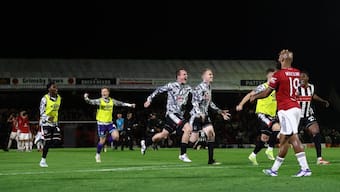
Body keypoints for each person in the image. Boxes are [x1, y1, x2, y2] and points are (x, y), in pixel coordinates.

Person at [250, 49, 312, 177]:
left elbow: (267, 93)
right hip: (295, 108)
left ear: (283, 59)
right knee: (283, 140)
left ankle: (305, 169)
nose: (278, 58)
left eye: (279, 56)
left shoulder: (278, 75)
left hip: (286, 109)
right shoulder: (297, 72)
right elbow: (297, 91)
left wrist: (255, 96)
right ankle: (274, 170)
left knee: (293, 137)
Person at [141, 68, 193, 162]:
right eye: (184, 74)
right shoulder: (171, 85)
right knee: (188, 128)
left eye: (186, 74)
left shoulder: (188, 88)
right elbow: (158, 90)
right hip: (172, 114)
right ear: (178, 76)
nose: (186, 76)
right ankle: (183, 154)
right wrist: (149, 99)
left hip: (179, 115)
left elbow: (196, 96)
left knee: (163, 135)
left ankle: (146, 142)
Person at [236, 68, 280, 165]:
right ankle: (270, 149)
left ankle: (253, 155)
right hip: (262, 114)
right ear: (268, 76)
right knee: (277, 127)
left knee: (264, 139)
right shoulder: (263, 87)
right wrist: (241, 104)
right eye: (273, 75)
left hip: (272, 115)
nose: (275, 77)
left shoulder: (276, 88)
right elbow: (250, 95)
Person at [189, 68, 231, 165]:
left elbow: (210, 103)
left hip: (205, 115)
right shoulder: (199, 87)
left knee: (211, 134)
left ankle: (210, 160)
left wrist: (220, 112)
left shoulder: (209, 87)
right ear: (203, 76)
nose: (212, 76)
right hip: (196, 115)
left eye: (212, 74)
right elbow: (194, 102)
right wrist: (200, 113)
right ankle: (197, 140)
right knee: (191, 142)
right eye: (209, 74)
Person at [84, 87, 135, 163]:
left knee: (116, 137)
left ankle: (107, 142)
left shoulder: (112, 101)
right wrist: (86, 97)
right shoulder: (99, 101)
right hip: (101, 124)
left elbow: (121, 103)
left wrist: (130, 105)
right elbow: (90, 102)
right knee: (101, 141)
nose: (104, 93)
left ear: (108, 93)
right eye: (102, 92)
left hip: (109, 123)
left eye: (105, 91)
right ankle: (97, 154)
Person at [297, 71, 330, 165]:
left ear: (308, 78)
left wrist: (323, 101)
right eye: (300, 77)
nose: (301, 78)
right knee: (289, 137)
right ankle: (278, 156)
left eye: (303, 76)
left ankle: (319, 159)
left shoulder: (311, 87)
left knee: (316, 131)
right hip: (297, 116)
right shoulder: (296, 87)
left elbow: (313, 96)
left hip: (308, 115)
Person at [39, 82, 62, 167]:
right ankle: (43, 160)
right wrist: (48, 118)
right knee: (48, 142)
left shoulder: (59, 98)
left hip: (54, 123)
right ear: (49, 89)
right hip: (45, 123)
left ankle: (42, 141)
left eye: (56, 87)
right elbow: (41, 111)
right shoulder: (44, 98)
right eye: (54, 87)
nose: (56, 88)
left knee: (57, 140)